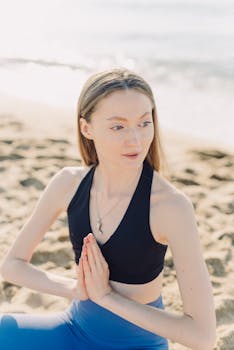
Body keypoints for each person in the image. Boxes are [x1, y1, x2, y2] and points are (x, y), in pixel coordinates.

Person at [0, 68, 216, 350]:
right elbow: (12, 266)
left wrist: (107, 297)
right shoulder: (68, 184)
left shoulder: (170, 207)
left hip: (136, 345)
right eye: (118, 126)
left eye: (144, 123)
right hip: (73, 330)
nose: (135, 140)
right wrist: (75, 289)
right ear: (86, 128)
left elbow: (203, 336)